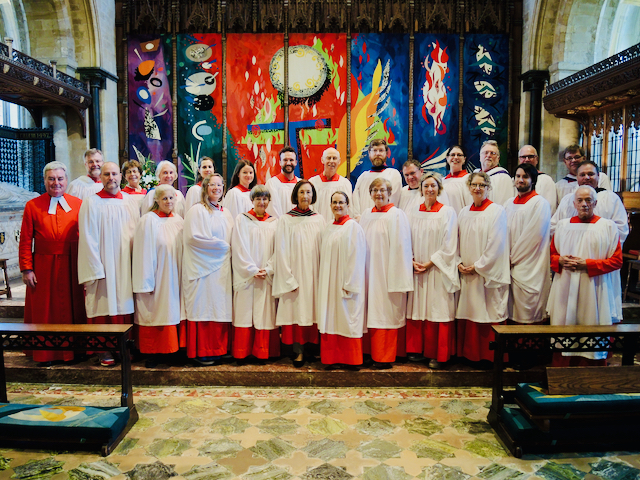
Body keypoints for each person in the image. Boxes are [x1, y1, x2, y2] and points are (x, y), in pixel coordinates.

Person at [19, 161, 86, 366]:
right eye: (51, 179)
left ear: (66, 181)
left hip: (72, 264)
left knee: (75, 309)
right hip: (44, 266)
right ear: (45, 181)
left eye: (59, 178)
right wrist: (27, 268)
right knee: (45, 311)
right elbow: (25, 239)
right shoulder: (32, 205)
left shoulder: (78, 204)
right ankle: (46, 354)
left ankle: (76, 352)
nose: (56, 183)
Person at [547, 185, 622, 366]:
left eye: (588, 200)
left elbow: (616, 260)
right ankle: (562, 373)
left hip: (595, 288)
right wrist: (561, 260)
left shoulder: (608, 227)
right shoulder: (563, 226)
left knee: (592, 327)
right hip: (565, 287)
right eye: (580, 200)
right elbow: (552, 256)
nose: (584, 204)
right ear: (574, 203)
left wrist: (588, 264)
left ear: (595, 203)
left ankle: (592, 374)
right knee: (564, 327)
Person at [77, 162, 140, 366]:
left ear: (120, 176)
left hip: (126, 263)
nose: (111, 177)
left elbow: (137, 233)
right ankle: (104, 348)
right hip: (103, 263)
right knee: (103, 303)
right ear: (101, 177)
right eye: (106, 174)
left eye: (114, 174)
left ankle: (125, 346)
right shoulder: (91, 202)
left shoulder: (129, 202)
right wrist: (94, 267)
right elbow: (87, 237)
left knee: (124, 302)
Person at [551, 160, 628, 321]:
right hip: (569, 268)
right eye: (582, 174)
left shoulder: (611, 198)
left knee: (599, 310)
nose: (586, 177)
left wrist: (596, 247)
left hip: (599, 267)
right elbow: (555, 228)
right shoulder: (567, 199)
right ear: (576, 177)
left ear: (599, 176)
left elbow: (620, 230)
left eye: (591, 174)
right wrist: (566, 253)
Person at [406, 173, 459, 369]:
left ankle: (436, 353)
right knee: (419, 308)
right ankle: (418, 350)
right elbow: (406, 238)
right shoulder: (412, 212)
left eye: (433, 186)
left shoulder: (447, 212)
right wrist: (411, 260)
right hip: (417, 269)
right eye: (426, 186)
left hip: (437, 270)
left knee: (437, 309)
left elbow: (449, 243)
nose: (429, 189)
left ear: (439, 189)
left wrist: (430, 263)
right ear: (420, 189)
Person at [359, 177, 413, 369]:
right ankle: (368, 351)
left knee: (384, 311)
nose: (378, 194)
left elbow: (401, 247)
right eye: (374, 190)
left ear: (390, 193)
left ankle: (384, 356)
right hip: (367, 272)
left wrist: (396, 277)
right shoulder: (366, 214)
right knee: (368, 310)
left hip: (386, 274)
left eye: (382, 190)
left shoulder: (396, 215)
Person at [456, 171, 510, 364]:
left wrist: (478, 267)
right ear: (469, 187)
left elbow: (497, 244)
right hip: (468, 273)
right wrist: (459, 262)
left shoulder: (497, 211)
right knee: (470, 310)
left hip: (487, 275)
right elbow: (458, 240)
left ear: (489, 188)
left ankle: (489, 357)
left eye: (482, 185)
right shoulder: (463, 212)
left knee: (487, 311)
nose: (478, 188)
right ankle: (470, 355)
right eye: (474, 185)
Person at [182, 174, 234, 365]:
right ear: (205, 187)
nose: (216, 188)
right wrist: (223, 248)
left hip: (222, 271)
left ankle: (220, 348)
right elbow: (193, 239)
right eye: (212, 185)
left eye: (220, 185)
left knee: (220, 307)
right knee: (205, 307)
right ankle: (203, 350)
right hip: (203, 271)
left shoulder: (225, 212)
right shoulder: (197, 211)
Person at [273, 180, 325, 367]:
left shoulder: (319, 219)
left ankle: (312, 350)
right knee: (297, 311)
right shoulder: (286, 219)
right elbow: (281, 250)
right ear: (296, 195)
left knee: (312, 311)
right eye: (302, 192)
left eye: (309, 192)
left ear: (313, 196)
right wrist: (287, 277)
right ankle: (298, 351)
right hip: (295, 273)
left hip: (314, 273)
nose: (305, 196)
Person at [132, 184, 184, 368]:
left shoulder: (179, 220)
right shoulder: (148, 221)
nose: (169, 202)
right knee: (156, 312)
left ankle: (172, 351)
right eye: (164, 199)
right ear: (156, 200)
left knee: (173, 311)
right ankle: (154, 353)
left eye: (171, 198)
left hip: (175, 276)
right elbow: (142, 253)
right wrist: (146, 281)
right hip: (157, 276)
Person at [317, 191, 366, 370]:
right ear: (330, 205)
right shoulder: (329, 226)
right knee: (330, 317)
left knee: (347, 318)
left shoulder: (353, 227)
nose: (337, 206)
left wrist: (350, 283)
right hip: (329, 283)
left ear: (348, 205)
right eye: (334, 202)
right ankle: (331, 358)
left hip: (346, 284)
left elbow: (357, 257)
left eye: (341, 202)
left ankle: (350, 359)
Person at [231, 185, 280, 363]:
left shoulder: (275, 222)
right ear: (252, 200)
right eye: (258, 198)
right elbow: (238, 246)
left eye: (265, 199)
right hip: (247, 276)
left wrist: (268, 269)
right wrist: (251, 269)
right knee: (245, 311)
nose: (261, 202)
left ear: (268, 201)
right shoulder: (242, 219)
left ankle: (262, 351)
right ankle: (242, 351)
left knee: (264, 312)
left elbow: (279, 250)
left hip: (265, 275)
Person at [504, 163, 551, 326]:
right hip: (509, 263)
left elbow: (533, 236)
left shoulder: (540, 203)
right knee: (511, 309)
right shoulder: (508, 203)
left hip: (530, 263)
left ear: (533, 180)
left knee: (528, 310)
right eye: (518, 176)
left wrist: (511, 258)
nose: (520, 180)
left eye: (525, 177)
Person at [352, 139, 403, 217]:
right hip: (364, 221)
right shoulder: (363, 176)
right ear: (369, 153)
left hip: (385, 219)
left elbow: (394, 200)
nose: (378, 153)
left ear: (386, 153)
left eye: (381, 150)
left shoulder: (393, 174)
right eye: (374, 150)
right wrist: (359, 218)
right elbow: (355, 201)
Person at [309, 147, 353, 220]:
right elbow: (310, 207)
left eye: (334, 158)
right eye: (328, 158)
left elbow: (349, 209)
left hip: (338, 227)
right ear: (322, 160)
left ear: (339, 161)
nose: (331, 161)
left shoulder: (345, 183)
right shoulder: (313, 182)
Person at [517, 145, 557, 214]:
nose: (527, 159)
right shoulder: (514, 180)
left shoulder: (546, 180)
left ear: (537, 159)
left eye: (530, 157)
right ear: (519, 160)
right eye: (523, 157)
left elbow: (550, 207)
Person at [475, 140, 514, 206]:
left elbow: (505, 204)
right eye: (486, 152)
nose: (488, 155)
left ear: (498, 158)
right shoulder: (474, 176)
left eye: (492, 153)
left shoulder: (503, 178)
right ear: (480, 157)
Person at [265, 146, 300, 218]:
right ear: (280, 162)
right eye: (285, 160)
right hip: (279, 226)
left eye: (291, 160)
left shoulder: (301, 184)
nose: (288, 163)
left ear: (296, 162)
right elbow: (272, 210)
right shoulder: (272, 183)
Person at [442, 146, 472, 215]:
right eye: (452, 155)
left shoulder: (469, 179)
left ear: (464, 159)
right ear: (447, 158)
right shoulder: (441, 181)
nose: (455, 157)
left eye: (459, 155)